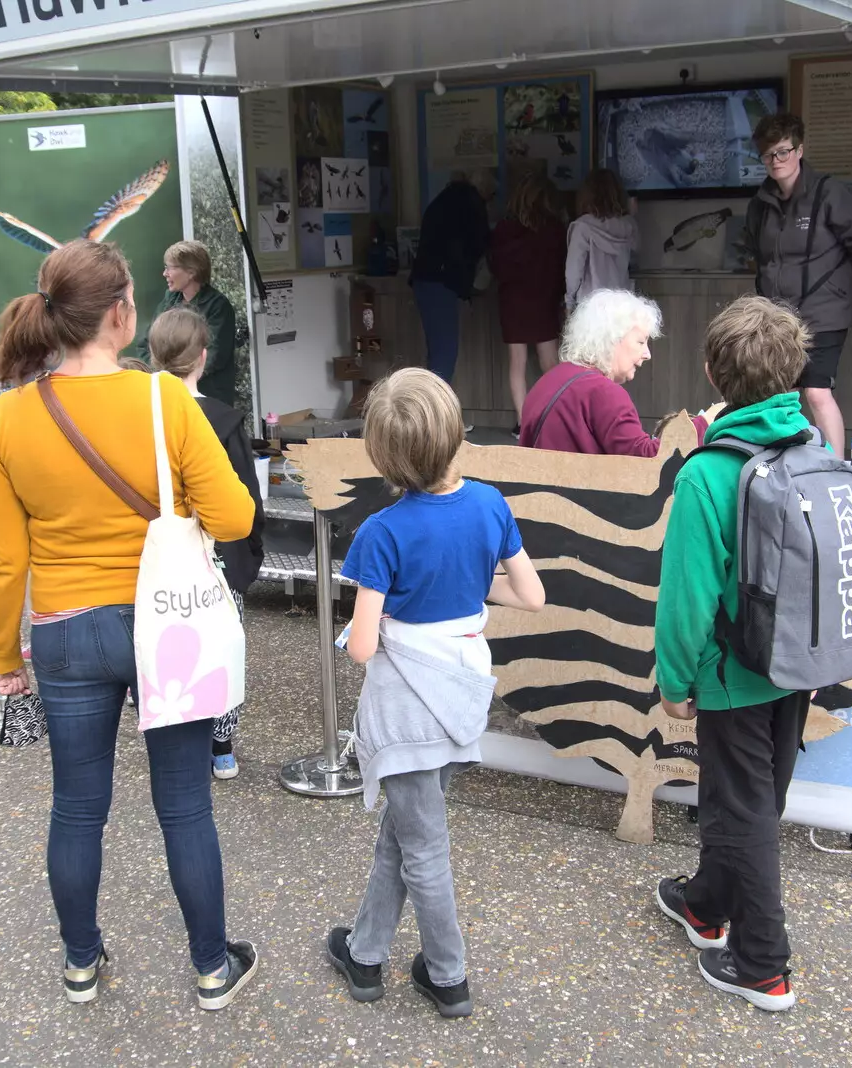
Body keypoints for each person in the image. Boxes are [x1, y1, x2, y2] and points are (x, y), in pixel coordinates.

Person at [0, 239, 259, 1010]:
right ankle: (209, 966)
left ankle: (80, 962)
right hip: (165, 623)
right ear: (119, 313)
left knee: (76, 806)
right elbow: (234, 516)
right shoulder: (164, 399)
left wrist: (2, 654)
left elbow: (2, 561)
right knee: (185, 806)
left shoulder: (8, 418)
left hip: (66, 632)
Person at [325, 368, 545, 1019]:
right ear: (456, 433)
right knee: (403, 835)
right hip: (459, 703)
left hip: (405, 713)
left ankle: (448, 975)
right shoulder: (489, 505)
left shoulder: (381, 533)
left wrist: (380, 615)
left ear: (384, 455)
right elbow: (531, 595)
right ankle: (364, 954)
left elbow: (363, 645)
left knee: (422, 847)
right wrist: (472, 589)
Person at [652, 295, 817, 1013]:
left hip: (732, 672)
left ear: (714, 373)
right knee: (756, 797)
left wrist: (674, 678)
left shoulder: (706, 474)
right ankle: (705, 904)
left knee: (741, 807)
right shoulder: (816, 450)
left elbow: (686, 598)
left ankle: (762, 964)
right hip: (800, 661)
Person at [148, 306, 266, 781]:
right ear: (202, 356)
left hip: (153, 558)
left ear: (155, 355)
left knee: (165, 644)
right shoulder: (221, 419)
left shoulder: (138, 417)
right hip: (213, 558)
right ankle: (222, 746)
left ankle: (173, 737)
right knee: (221, 645)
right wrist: (249, 554)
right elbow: (244, 500)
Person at [742, 113, 852, 458]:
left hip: (824, 314)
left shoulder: (831, 194)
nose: (776, 161)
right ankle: (782, 464)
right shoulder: (761, 204)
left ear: (799, 150)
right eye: (768, 155)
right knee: (779, 394)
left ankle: (834, 466)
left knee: (817, 393)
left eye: (783, 152)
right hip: (779, 318)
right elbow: (756, 251)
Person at [518, 289, 662, 457]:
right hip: (570, 483)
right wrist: (696, 427)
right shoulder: (604, 392)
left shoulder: (549, 379)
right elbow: (644, 458)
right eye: (640, 342)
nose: (647, 354)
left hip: (533, 482)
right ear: (612, 339)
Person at [488, 171, 568, 435]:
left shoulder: (504, 228)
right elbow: (560, 269)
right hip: (543, 301)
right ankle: (556, 417)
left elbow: (496, 266)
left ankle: (524, 424)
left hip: (512, 302)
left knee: (517, 364)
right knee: (551, 364)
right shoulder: (554, 229)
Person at [408, 171, 495, 389]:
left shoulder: (444, 199)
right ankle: (436, 418)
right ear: (484, 191)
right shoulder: (471, 204)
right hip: (441, 281)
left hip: (425, 279)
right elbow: (478, 245)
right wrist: (470, 285)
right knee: (444, 354)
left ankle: (431, 413)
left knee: (437, 352)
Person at [156, 240, 239, 409]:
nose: (165, 273)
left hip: (210, 397)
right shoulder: (169, 300)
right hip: (173, 393)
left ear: (191, 272)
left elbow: (215, 356)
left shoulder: (219, 306)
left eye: (170, 267)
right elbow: (150, 341)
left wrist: (180, 377)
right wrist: (157, 373)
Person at [564, 169, 638, 310]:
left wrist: (569, 301)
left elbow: (574, 272)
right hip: (621, 304)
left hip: (590, 306)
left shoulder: (582, 227)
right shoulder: (629, 225)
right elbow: (634, 260)